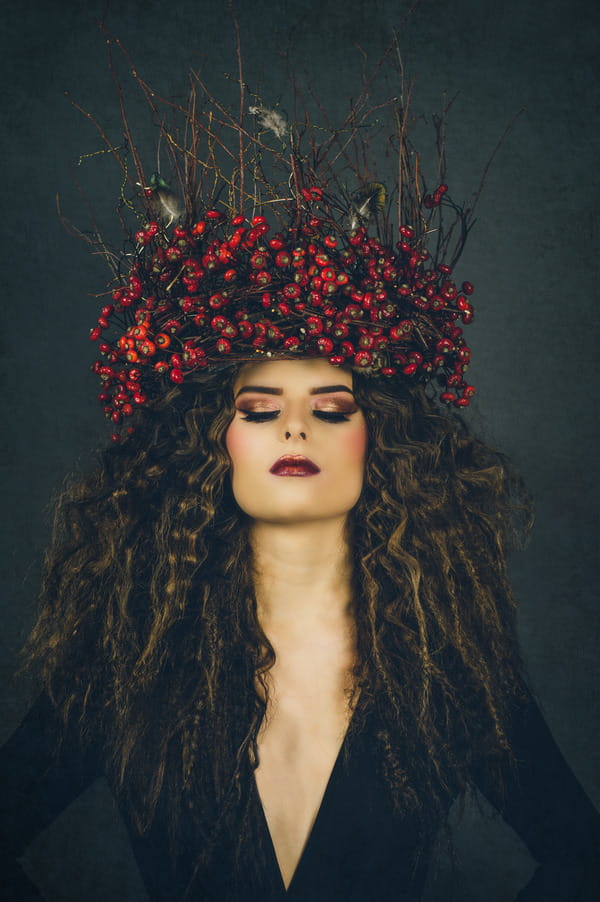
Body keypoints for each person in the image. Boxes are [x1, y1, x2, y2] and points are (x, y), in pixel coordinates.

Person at [1, 45, 599, 901]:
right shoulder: (127, 664)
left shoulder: (448, 669)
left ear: (377, 444)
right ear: (215, 442)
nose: (293, 422)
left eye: (331, 405)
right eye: (257, 407)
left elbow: (580, 858)